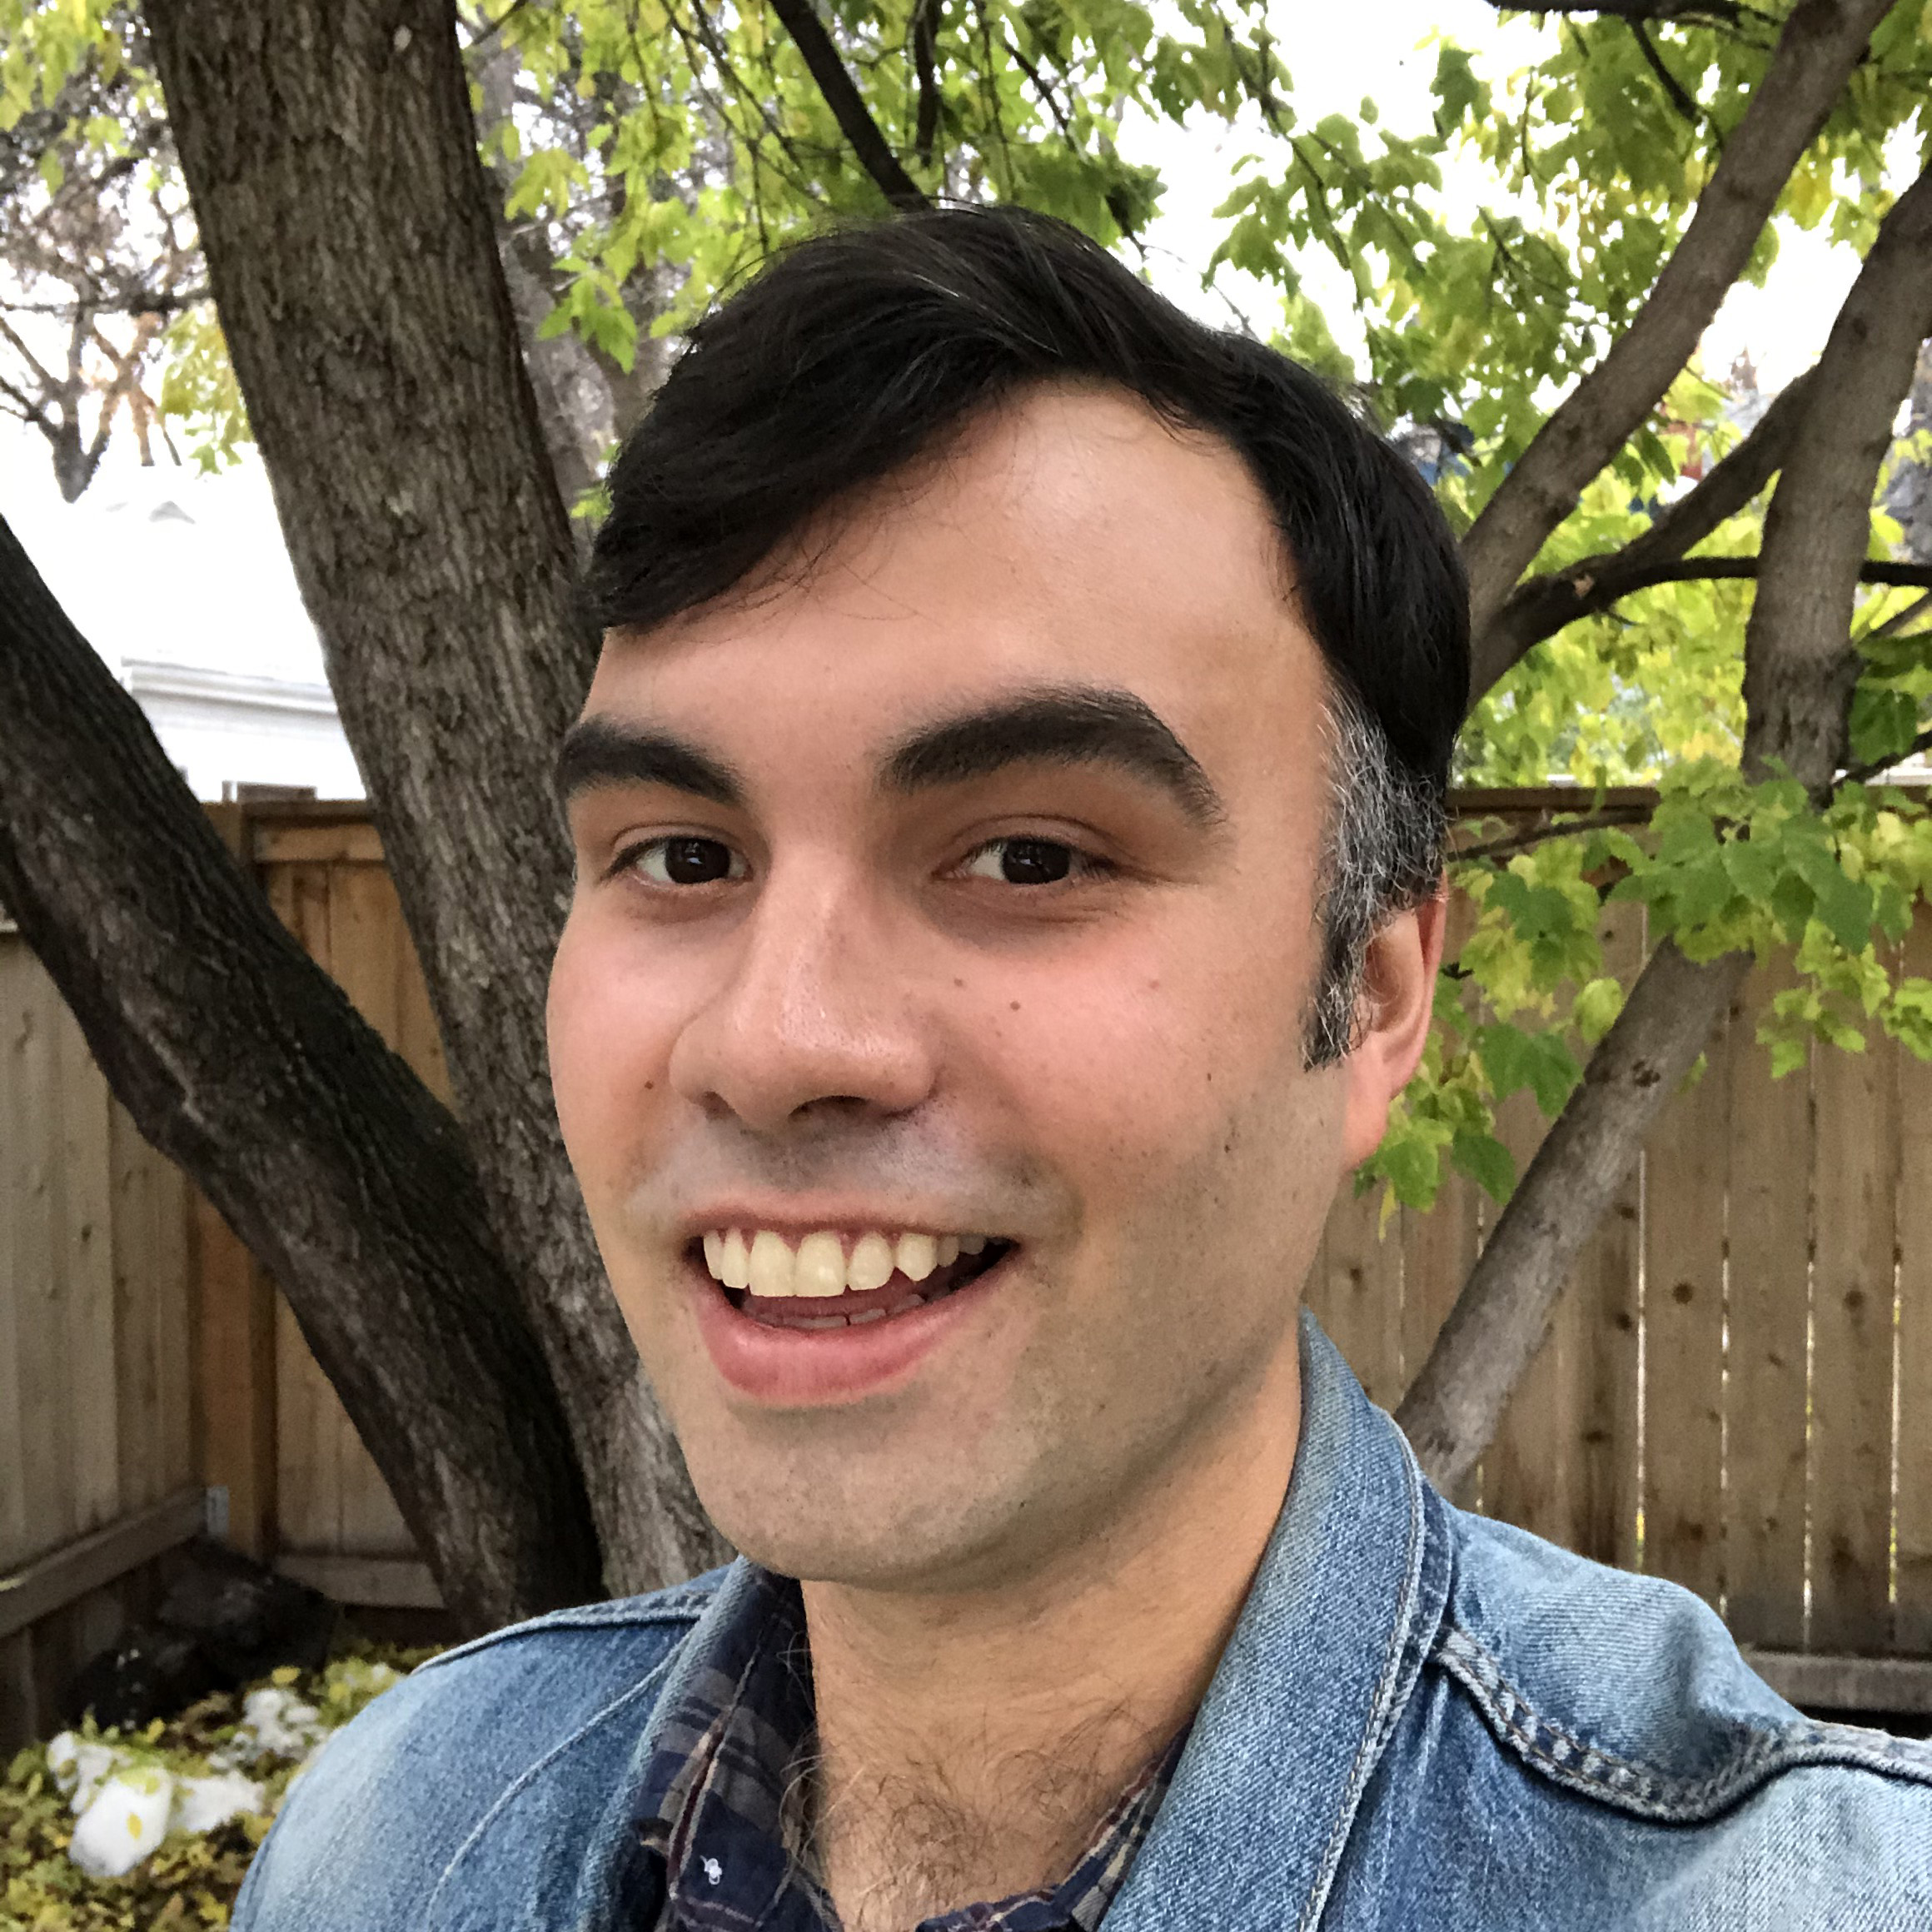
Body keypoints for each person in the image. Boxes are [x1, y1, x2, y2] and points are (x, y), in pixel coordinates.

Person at [232, 207, 1932, 1932]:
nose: (770, 1042)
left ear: (1373, 996)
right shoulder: (391, 1838)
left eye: (1029, 856)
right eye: (680, 855)